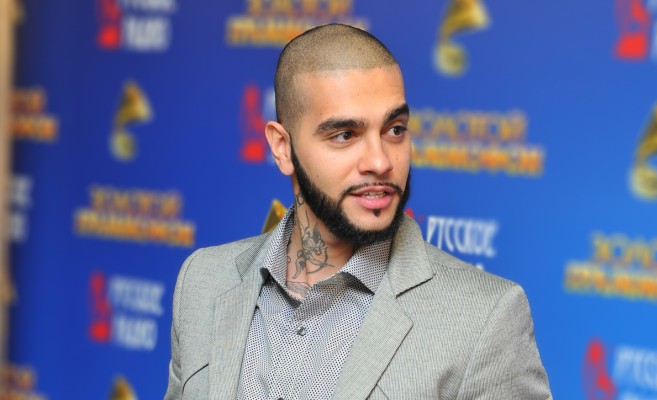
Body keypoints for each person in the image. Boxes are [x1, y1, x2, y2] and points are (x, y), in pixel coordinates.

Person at [164, 24, 552, 399]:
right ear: (282, 148)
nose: (380, 162)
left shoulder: (484, 319)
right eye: (345, 135)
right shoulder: (203, 281)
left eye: (395, 129)